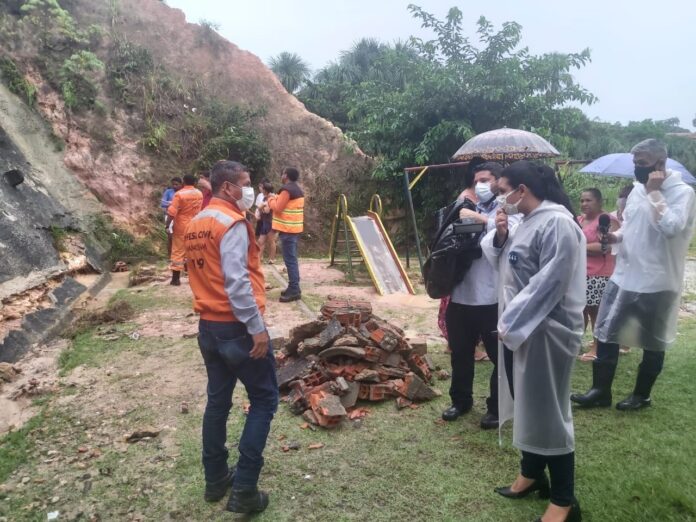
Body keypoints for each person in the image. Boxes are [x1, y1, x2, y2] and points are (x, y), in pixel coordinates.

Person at [482, 161, 584, 522]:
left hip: (547, 333)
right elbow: (506, 267)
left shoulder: (558, 223)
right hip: (519, 329)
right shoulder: (528, 222)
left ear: (521, 190)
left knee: (549, 413)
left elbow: (551, 284)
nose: (499, 196)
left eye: (502, 189)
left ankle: (564, 501)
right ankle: (530, 473)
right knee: (527, 404)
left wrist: (510, 322)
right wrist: (501, 232)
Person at [571, 139, 696, 411]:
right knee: (605, 331)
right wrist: (613, 236)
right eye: (635, 163)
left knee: (653, 340)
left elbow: (672, 227)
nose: (637, 169)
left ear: (660, 163)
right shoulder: (638, 190)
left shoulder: (682, 193)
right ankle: (600, 391)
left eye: (642, 164)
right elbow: (630, 227)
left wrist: (654, 194)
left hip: (657, 280)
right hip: (624, 274)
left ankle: (642, 395)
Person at [184, 160, 278, 514]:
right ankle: (245, 489)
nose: (249, 190)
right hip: (237, 328)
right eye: (246, 183)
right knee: (265, 399)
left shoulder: (196, 223)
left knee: (218, 403)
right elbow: (238, 284)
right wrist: (257, 328)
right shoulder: (233, 223)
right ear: (228, 188)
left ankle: (215, 479)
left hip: (208, 327)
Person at [441, 161, 518, 430]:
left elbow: (513, 235)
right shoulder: (466, 206)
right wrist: (461, 216)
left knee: (499, 357)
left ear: (498, 182)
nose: (481, 185)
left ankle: (496, 408)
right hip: (461, 295)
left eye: (486, 179)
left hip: (493, 298)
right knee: (460, 353)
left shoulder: (511, 207)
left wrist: (481, 221)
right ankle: (460, 401)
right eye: (477, 181)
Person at [577, 189, 619, 361]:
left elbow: (606, 247)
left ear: (600, 202)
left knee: (597, 312)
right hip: (579, 272)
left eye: (589, 200)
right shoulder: (578, 220)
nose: (584, 204)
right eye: (582, 200)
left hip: (599, 273)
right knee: (581, 310)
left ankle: (597, 347)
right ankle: (576, 342)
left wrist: (579, 246)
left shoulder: (608, 220)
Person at [267, 167, 305, 302]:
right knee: (292, 260)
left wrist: (270, 199)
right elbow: (286, 204)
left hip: (288, 230)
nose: (281, 175)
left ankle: (294, 289)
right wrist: (276, 197)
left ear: (286, 175)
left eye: (282, 173)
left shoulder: (287, 189)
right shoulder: (296, 189)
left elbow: (277, 207)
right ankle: (294, 287)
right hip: (293, 230)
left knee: (290, 261)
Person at [166, 174, 203, 286]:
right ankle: (194, 277)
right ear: (195, 183)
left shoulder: (179, 194)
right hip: (195, 225)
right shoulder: (199, 194)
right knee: (192, 250)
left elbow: (172, 213)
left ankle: (176, 279)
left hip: (181, 227)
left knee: (178, 251)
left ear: (183, 182)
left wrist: (167, 225)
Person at [255, 180, 277, 263]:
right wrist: (260, 209)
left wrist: (262, 207)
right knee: (260, 241)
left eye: (263, 188)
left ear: (266, 190)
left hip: (270, 222)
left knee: (271, 240)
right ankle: (258, 258)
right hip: (264, 221)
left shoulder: (272, 198)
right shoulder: (264, 198)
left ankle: (272, 258)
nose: (261, 189)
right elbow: (260, 208)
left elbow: (267, 210)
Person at [161, 177, 182, 257]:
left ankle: (179, 255)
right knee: (170, 236)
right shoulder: (168, 192)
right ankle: (170, 256)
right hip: (169, 215)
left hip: (180, 216)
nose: (174, 186)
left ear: (181, 184)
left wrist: (171, 203)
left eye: (176, 184)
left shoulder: (182, 192)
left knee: (179, 237)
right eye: (173, 184)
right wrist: (173, 204)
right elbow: (163, 203)